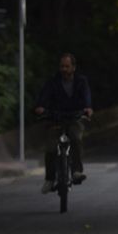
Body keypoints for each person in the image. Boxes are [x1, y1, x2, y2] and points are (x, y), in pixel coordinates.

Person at [34, 53, 92, 194]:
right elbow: (44, 96)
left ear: (73, 67)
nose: (64, 69)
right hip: (56, 118)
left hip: (75, 117)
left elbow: (86, 96)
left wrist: (88, 108)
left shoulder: (81, 81)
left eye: (67, 66)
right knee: (51, 148)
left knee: (76, 139)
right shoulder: (53, 81)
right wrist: (41, 107)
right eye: (62, 66)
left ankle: (77, 171)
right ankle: (49, 179)